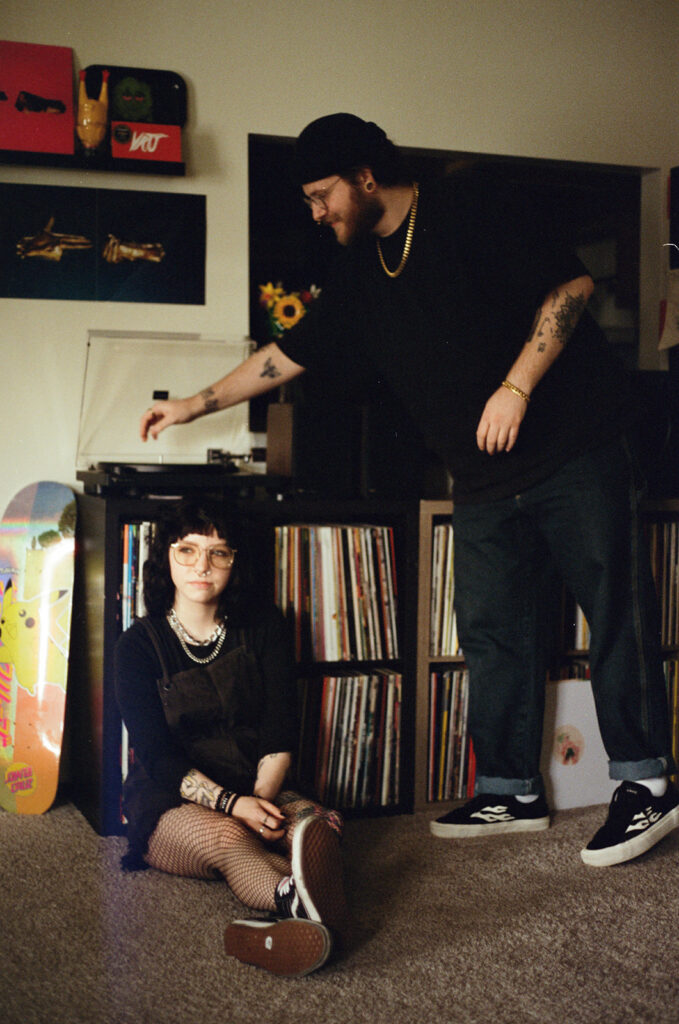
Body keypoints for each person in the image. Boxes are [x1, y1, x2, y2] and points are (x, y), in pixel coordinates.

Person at [139, 113, 679, 868]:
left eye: (322, 194)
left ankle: (646, 783)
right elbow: (287, 354)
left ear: (366, 176)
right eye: (306, 201)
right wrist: (193, 405)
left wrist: (517, 386)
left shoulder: (468, 206)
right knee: (492, 628)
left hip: (576, 446)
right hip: (486, 474)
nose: (317, 211)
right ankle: (510, 787)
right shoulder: (361, 270)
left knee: (613, 606)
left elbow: (572, 284)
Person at [114, 498, 349, 978]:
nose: (202, 565)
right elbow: (158, 758)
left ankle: (278, 926)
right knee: (228, 837)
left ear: (234, 562)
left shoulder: (264, 625)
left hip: (257, 782)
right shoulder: (136, 647)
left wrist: (259, 803)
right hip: (171, 799)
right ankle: (295, 902)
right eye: (187, 550)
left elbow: (281, 729)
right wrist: (236, 810)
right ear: (167, 559)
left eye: (219, 553)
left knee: (313, 824)